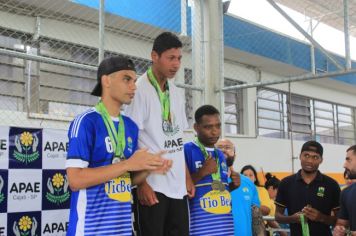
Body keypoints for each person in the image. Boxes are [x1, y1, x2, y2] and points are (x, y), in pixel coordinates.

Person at [65, 56, 170, 235]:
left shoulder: (130, 126)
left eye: (135, 81)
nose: (134, 87)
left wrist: (148, 168)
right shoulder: (86, 122)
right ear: (106, 80)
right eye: (126, 79)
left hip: (122, 230)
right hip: (91, 230)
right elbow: (75, 180)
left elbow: (124, 181)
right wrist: (128, 164)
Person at [124, 31, 194, 236]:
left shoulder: (176, 91)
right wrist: (141, 184)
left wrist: (186, 177)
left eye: (179, 58)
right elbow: (130, 141)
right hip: (153, 185)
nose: (176, 64)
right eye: (171, 58)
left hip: (177, 187)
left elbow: (178, 139)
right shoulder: (139, 90)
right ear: (155, 56)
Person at [184, 105, 234, 235]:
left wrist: (232, 185)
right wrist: (202, 172)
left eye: (218, 126)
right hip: (200, 229)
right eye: (208, 127)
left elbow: (217, 189)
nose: (215, 131)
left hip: (225, 228)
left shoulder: (220, 155)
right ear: (196, 128)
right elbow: (180, 189)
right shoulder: (186, 150)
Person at [275, 140, 341, 236]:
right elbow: (277, 216)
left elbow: (339, 221)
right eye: (306, 155)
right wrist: (292, 218)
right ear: (300, 156)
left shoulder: (331, 185)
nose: (310, 160)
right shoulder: (286, 183)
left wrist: (321, 217)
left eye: (315, 157)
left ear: (321, 160)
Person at [216, 138, 261, 236]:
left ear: (235, 156)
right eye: (219, 148)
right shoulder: (204, 181)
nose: (224, 150)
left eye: (228, 148)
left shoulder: (248, 183)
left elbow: (256, 217)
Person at [333, 145, 356, 236]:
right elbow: (342, 224)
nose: (344, 165)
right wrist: (339, 230)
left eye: (348, 159)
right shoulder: (346, 193)